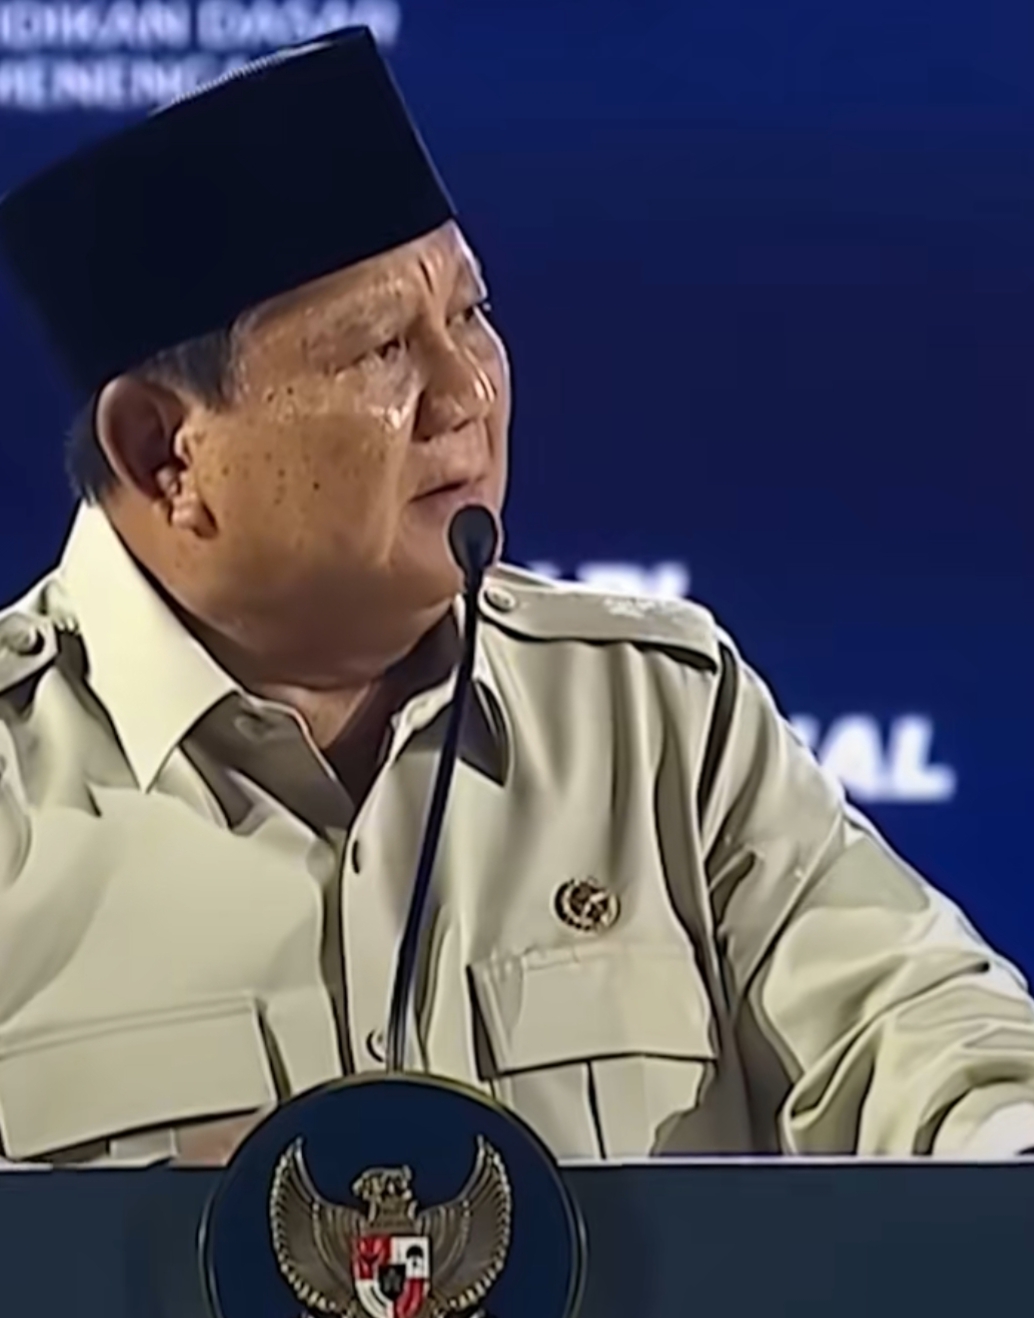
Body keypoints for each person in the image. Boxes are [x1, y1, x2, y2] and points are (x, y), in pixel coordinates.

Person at [0, 28, 1033, 1170]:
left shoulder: (656, 719)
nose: (467, 392)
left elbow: (927, 1031)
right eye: (380, 349)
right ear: (165, 453)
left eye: (470, 316)